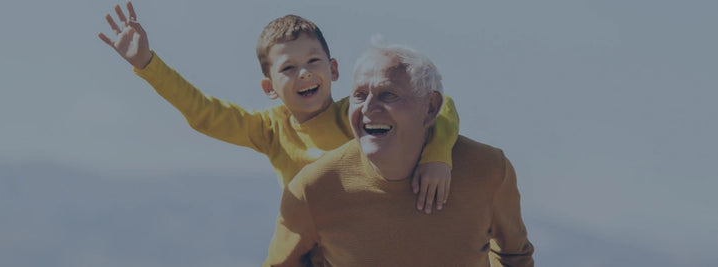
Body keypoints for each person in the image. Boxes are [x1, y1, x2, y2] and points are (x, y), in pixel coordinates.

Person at [96, 2, 461, 213]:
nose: (304, 73)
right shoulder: (270, 131)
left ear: (333, 70)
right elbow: (203, 112)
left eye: (313, 61)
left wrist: (437, 155)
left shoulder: (358, 112)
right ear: (270, 87)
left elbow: (439, 106)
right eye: (288, 68)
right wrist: (147, 64)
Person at [264, 38, 534, 266]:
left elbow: (514, 256)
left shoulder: (489, 170)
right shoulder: (312, 189)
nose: (368, 108)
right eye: (359, 95)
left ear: (430, 107)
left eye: (388, 95)